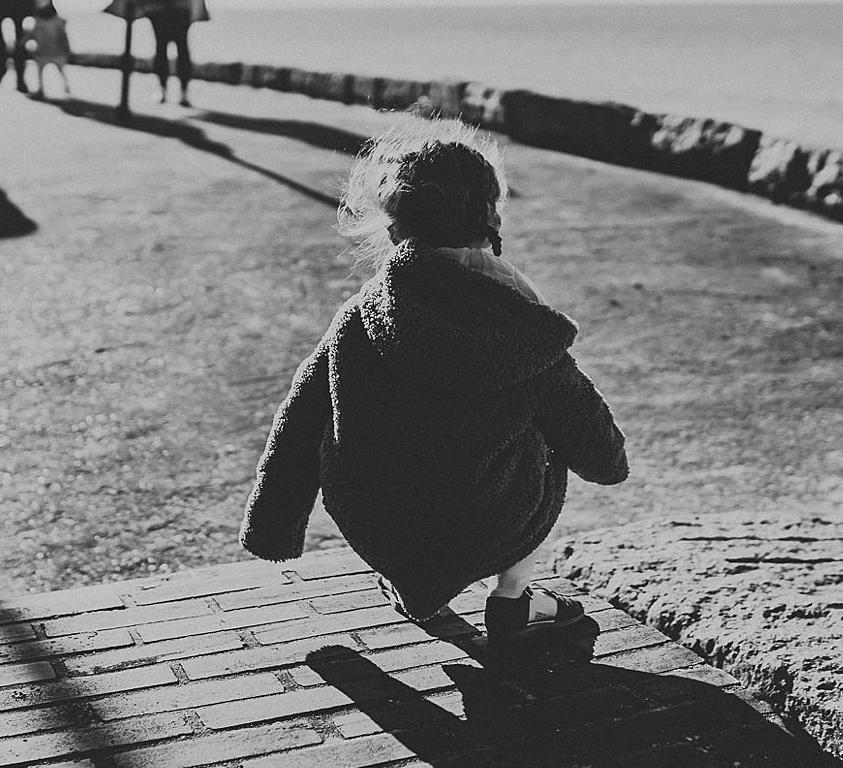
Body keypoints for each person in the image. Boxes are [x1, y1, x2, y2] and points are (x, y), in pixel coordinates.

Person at [239, 118, 628, 639]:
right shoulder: (525, 328)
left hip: (381, 525)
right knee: (547, 437)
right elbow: (595, 445)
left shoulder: (359, 320)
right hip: (491, 526)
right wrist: (611, 466)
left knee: (362, 429)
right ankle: (513, 599)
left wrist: (273, 529)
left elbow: (299, 420)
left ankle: (412, 586)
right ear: (490, 216)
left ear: (394, 227)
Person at [28, 0, 70, 100]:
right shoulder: (37, 18)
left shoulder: (57, 20)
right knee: (40, 72)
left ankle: (67, 89)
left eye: (42, 0)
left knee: (61, 71)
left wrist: (66, 49)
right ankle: (41, 90)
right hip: (42, 51)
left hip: (57, 52)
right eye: (38, 1)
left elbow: (63, 35)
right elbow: (33, 33)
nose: (39, 2)